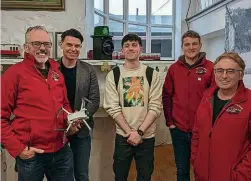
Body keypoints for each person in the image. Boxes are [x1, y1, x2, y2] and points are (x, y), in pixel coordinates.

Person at [1, 25, 77, 181]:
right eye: (37, 44)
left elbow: (64, 106)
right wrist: (18, 149)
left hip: (61, 151)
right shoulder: (13, 74)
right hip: (31, 155)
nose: (42, 48)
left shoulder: (56, 72)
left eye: (46, 44)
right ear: (26, 47)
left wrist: (70, 121)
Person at [103, 33, 162, 181]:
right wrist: (130, 132)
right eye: (127, 45)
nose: (130, 48)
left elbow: (155, 106)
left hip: (146, 137)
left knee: (145, 176)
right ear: (122, 50)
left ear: (140, 49)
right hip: (124, 137)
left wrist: (139, 132)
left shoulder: (151, 74)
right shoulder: (114, 75)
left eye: (134, 45)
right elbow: (112, 107)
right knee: (120, 176)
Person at [162, 30, 215, 181]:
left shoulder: (211, 68)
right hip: (179, 129)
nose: (191, 47)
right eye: (187, 44)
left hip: (203, 129)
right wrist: (170, 122)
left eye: (194, 44)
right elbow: (166, 96)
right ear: (182, 47)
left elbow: (215, 98)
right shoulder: (173, 69)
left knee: (203, 169)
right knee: (182, 170)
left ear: (200, 45)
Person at [191, 52, 251, 181]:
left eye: (230, 71)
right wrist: (196, 160)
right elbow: (197, 132)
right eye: (219, 71)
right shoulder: (207, 96)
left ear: (240, 74)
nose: (224, 76)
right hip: (202, 174)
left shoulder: (249, 102)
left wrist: (242, 175)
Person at [58, 28, 100, 181]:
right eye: (69, 45)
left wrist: (78, 120)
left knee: (81, 174)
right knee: (61, 175)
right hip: (58, 130)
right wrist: (66, 121)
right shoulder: (52, 69)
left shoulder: (88, 70)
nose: (73, 49)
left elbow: (94, 100)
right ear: (61, 45)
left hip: (81, 130)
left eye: (77, 46)